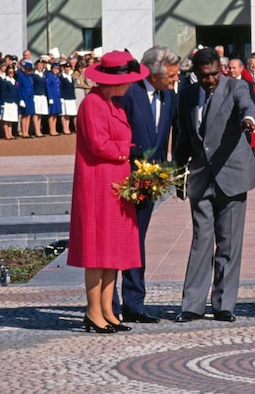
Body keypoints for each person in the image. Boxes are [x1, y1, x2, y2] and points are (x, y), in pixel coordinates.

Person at [172, 47, 255, 322]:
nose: (210, 80)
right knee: (201, 240)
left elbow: (248, 106)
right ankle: (192, 305)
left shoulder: (236, 86)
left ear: (220, 70)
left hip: (232, 175)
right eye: (204, 76)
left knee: (229, 242)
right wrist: (178, 175)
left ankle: (224, 304)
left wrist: (249, 119)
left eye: (213, 75)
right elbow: (183, 136)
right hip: (200, 176)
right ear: (196, 74)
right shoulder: (187, 95)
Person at [66, 50, 148, 333]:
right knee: (97, 249)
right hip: (98, 183)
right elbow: (98, 144)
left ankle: (106, 309)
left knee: (113, 249)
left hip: (115, 183)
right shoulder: (93, 104)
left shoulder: (112, 103)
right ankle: (93, 310)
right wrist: (125, 151)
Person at [113, 45, 180, 325]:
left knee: (136, 242)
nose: (176, 79)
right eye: (172, 75)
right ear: (154, 75)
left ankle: (134, 304)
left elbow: (171, 134)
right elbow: (116, 131)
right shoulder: (130, 93)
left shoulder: (169, 97)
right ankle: (109, 302)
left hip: (149, 183)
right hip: (123, 179)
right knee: (117, 242)